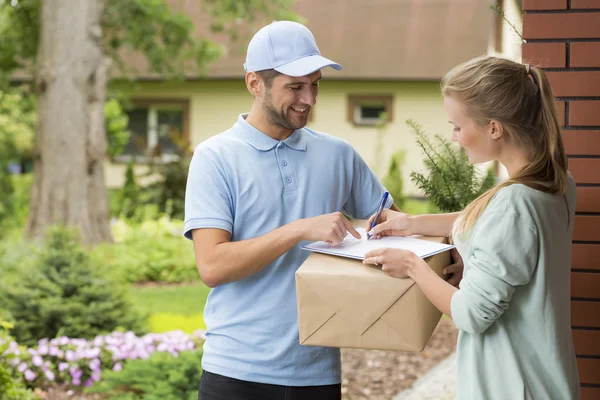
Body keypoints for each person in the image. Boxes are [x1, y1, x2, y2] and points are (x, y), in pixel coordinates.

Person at [184, 21, 399, 400]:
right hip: (235, 372)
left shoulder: (338, 154)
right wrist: (299, 230)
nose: (310, 98)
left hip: (317, 372)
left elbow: (395, 224)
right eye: (295, 86)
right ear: (255, 84)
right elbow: (212, 267)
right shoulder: (215, 157)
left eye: (315, 84)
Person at [364, 56, 580, 399]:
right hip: (544, 377)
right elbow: (486, 217)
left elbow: (470, 315)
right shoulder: (554, 182)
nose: (454, 137)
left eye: (457, 126)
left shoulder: (514, 205)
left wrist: (412, 266)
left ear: (494, 128)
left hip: (511, 385)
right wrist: (413, 223)